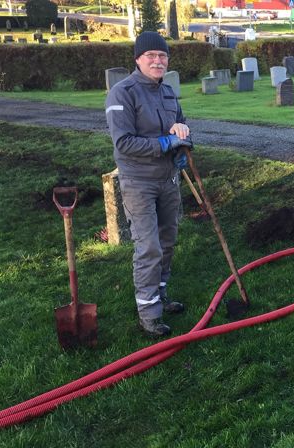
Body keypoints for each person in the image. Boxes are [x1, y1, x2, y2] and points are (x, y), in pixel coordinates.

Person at [105, 31, 192, 337]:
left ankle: (161, 294)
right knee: (149, 246)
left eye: (162, 56)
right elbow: (124, 143)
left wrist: (182, 142)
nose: (158, 61)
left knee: (167, 241)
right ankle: (149, 312)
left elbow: (181, 127)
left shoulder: (167, 92)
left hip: (168, 178)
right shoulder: (122, 93)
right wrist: (166, 143)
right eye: (151, 56)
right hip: (139, 182)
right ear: (138, 59)